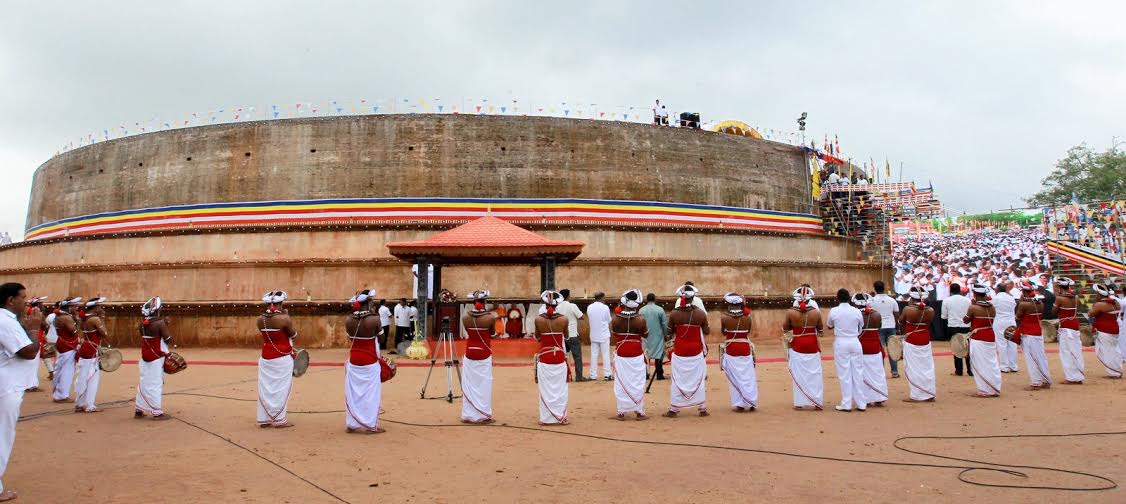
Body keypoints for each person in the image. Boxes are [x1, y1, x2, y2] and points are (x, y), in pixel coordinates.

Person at [0, 283, 39, 502]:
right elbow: (28, 352)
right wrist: (34, 329)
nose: (26, 301)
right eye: (23, 298)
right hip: (6, 387)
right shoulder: (4, 321)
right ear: (10, 300)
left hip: (7, 384)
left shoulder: (7, 320)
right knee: (2, 436)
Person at [663, 284, 710, 418]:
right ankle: (702, 408)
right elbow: (707, 331)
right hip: (696, 351)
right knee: (698, 379)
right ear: (693, 297)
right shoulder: (700, 314)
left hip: (680, 350)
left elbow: (669, 332)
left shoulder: (674, 314)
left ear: (681, 297)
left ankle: (674, 408)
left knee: (678, 379)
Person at [343, 289, 385, 434]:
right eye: (371, 301)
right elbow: (381, 339)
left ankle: (352, 423)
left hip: (354, 360)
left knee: (353, 393)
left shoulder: (349, 319)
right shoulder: (374, 319)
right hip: (369, 361)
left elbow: (350, 338)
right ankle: (370, 425)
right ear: (367, 303)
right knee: (370, 394)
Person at [257, 291, 297, 428]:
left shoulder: (260, 319)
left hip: (266, 357)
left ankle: (264, 418)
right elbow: (294, 334)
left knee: (266, 388)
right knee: (281, 389)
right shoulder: (283, 319)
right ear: (281, 304)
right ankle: (279, 419)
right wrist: (287, 316)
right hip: (282, 357)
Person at [610, 289, 648, 420]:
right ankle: (639, 412)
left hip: (622, 353)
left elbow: (614, 334)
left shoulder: (615, 319)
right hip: (636, 353)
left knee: (621, 382)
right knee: (637, 381)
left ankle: (621, 412)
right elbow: (646, 334)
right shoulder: (640, 319)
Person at [784, 286, 824, 410]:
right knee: (815, 374)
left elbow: (785, 329)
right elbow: (821, 331)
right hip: (812, 345)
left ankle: (800, 403)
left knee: (799, 374)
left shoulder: (790, 312)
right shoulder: (816, 313)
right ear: (809, 299)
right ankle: (817, 401)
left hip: (797, 345)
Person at [460, 290, 497, 425]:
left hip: (470, 353)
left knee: (470, 384)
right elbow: (492, 333)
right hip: (484, 353)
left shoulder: (465, 317)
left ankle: (468, 414)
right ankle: (482, 414)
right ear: (485, 302)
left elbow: (468, 331)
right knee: (484, 384)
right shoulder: (490, 317)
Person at [534, 290, 570, 425]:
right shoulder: (564, 319)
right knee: (560, 389)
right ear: (557, 304)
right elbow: (566, 336)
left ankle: (545, 418)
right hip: (559, 357)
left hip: (544, 357)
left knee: (545, 389)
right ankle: (560, 416)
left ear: (544, 303)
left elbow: (538, 337)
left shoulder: (538, 319)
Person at [827, 288, 866, 411]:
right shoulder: (856, 311)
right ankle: (861, 403)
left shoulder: (834, 311)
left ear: (837, 298)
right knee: (858, 373)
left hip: (841, 342)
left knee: (844, 374)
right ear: (849, 298)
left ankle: (847, 403)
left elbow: (829, 325)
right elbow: (862, 326)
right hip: (855, 341)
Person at [134, 297, 173, 420]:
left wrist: (163, 324)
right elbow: (168, 339)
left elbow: (150, 334)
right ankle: (157, 412)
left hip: (145, 356)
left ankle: (139, 409)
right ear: (157, 310)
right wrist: (165, 325)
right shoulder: (159, 323)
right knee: (155, 383)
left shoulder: (142, 324)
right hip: (156, 356)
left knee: (144, 382)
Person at [719, 293, 757, 412]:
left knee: (736, 378)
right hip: (745, 348)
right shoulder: (748, 318)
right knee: (748, 377)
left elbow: (724, 332)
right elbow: (749, 331)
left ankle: (740, 404)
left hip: (732, 349)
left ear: (729, 305)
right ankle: (751, 402)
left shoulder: (724, 318)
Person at [898, 287, 937, 402]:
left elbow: (901, 321)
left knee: (913, 368)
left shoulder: (907, 309)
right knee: (927, 367)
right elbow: (928, 324)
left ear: (911, 298)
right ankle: (929, 393)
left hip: (912, 340)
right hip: (925, 339)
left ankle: (918, 395)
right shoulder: (930, 310)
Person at [965, 284, 1001, 397]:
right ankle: (994, 387)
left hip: (979, 337)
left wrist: (973, 305)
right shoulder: (992, 307)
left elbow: (965, 320)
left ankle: (985, 390)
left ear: (975, 294)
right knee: (991, 362)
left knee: (980, 363)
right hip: (990, 336)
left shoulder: (973, 307)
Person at [1013, 280, 1051, 389]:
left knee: (1031, 358)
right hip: (1037, 332)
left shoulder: (1023, 304)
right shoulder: (1040, 303)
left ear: (1024, 293)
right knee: (1041, 357)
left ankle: (1036, 382)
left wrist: (1020, 302)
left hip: (1028, 333)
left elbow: (1018, 317)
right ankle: (1045, 379)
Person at [853, 293, 888, 407]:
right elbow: (880, 327)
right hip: (875, 346)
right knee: (877, 372)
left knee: (862, 373)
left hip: (861, 346)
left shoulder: (856, 315)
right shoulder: (877, 314)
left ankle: (866, 398)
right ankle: (879, 397)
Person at [74, 297, 108, 413]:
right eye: (100, 306)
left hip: (85, 347)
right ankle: (89, 405)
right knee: (92, 377)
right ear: (96, 307)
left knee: (82, 376)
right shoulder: (95, 319)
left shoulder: (83, 318)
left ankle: (80, 403)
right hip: (92, 349)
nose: (101, 308)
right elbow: (104, 334)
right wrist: (102, 318)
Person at [1051, 277, 1084, 384]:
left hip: (1066, 327)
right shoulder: (1075, 298)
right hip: (1074, 324)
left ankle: (1072, 377)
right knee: (1076, 351)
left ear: (1060, 287)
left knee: (1066, 352)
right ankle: (1078, 376)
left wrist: (1057, 298)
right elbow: (1077, 308)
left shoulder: (1060, 298)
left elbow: (1053, 312)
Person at [50, 297, 81, 403]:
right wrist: (77, 322)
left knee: (62, 368)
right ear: (69, 307)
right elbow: (74, 331)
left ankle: (59, 393)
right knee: (67, 370)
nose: (76, 308)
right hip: (67, 345)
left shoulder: (61, 316)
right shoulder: (66, 318)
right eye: (74, 306)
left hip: (64, 344)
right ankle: (61, 395)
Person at [1089, 284, 1121, 378]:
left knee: (1107, 351)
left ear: (1099, 295)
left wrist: (1095, 306)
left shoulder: (1099, 304)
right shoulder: (1115, 302)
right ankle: (1116, 370)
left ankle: (1114, 372)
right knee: (1114, 350)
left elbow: (1091, 314)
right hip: (1114, 329)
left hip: (1105, 330)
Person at [941, 284, 972, 376]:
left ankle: (959, 370)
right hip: (966, 326)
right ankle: (970, 370)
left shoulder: (946, 300)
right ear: (960, 290)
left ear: (950, 291)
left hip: (953, 326)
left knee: (956, 348)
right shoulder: (967, 300)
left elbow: (944, 316)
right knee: (967, 348)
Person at [871, 281, 899, 378]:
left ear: (875, 288)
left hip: (879, 327)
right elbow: (896, 314)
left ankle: (881, 371)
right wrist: (896, 326)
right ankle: (895, 372)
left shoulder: (872, 301)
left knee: (880, 350)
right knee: (892, 349)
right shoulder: (892, 300)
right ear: (884, 288)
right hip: (891, 326)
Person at [557, 289, 587, 381]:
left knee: (563, 356)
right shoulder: (572, 306)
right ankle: (579, 376)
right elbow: (581, 317)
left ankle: (564, 376)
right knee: (577, 356)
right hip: (572, 334)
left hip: (562, 335)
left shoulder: (557, 307)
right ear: (568, 296)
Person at [19, 297, 46, 392]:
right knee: (33, 363)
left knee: (30, 363)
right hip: (35, 337)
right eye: (41, 304)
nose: (42, 305)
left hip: (30, 337)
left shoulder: (25, 312)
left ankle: (29, 383)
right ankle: (31, 385)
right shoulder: (36, 314)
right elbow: (44, 325)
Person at [992, 281, 1019, 373]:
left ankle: (1004, 366)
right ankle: (1013, 365)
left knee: (1001, 344)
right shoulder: (1011, 298)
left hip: (999, 321)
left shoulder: (996, 298)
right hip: (1011, 321)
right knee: (1012, 343)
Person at [639, 293, 667, 382]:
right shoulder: (660, 310)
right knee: (658, 354)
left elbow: (639, 323)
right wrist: (666, 334)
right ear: (654, 299)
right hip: (657, 335)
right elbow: (664, 324)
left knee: (646, 354)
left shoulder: (641, 310)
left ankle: (646, 374)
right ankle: (659, 374)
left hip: (645, 335)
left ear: (647, 300)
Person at [586, 292, 612, 381]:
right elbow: (609, 320)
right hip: (604, 334)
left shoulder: (589, 307)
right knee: (605, 355)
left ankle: (593, 375)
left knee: (594, 355)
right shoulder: (605, 307)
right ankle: (607, 374)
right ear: (601, 298)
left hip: (593, 334)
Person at [42, 301, 59, 380]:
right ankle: (55, 372)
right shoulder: (66, 316)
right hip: (58, 339)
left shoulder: (51, 316)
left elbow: (46, 325)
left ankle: (52, 372)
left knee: (46, 356)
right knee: (58, 357)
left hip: (51, 339)